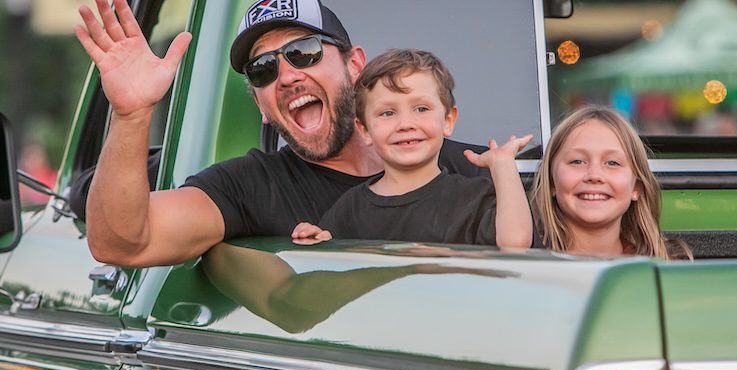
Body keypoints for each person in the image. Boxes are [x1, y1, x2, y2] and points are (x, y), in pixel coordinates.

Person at [73, 0, 483, 267]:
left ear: (355, 65)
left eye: (303, 52)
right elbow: (122, 243)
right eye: (263, 68)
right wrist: (132, 115)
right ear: (261, 106)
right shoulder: (251, 186)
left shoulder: (469, 169)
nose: (286, 77)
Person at [291, 49, 532, 248]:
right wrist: (317, 240)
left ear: (448, 120)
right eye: (388, 113)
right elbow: (334, 269)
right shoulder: (350, 208)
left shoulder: (475, 197)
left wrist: (503, 166)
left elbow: (515, 244)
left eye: (421, 109)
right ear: (364, 131)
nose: (405, 124)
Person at [533, 106, 687, 259]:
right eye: (577, 161)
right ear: (551, 182)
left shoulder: (667, 266)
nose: (594, 175)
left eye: (612, 163)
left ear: (636, 187)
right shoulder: (531, 264)